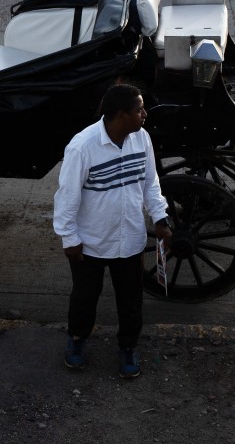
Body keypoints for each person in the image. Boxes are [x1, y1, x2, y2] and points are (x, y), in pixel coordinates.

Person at [52, 83, 170, 379]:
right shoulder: (82, 146)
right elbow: (67, 196)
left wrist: (160, 217)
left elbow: (150, 183)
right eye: (139, 110)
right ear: (120, 116)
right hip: (88, 244)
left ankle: (128, 347)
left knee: (131, 301)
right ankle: (77, 341)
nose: (145, 114)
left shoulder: (142, 139)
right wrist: (69, 238)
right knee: (84, 298)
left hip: (129, 241)